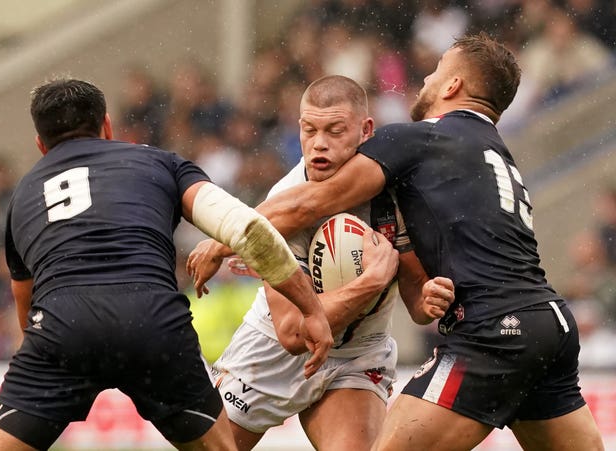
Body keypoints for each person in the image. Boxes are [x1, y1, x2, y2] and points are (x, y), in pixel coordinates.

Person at [191, 34, 605, 450]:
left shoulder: (413, 143)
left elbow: (311, 207)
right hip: (547, 320)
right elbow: (295, 329)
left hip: (483, 332)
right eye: (309, 129)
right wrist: (421, 290)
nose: (425, 77)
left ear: (452, 86)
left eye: (436, 69)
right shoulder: (489, 150)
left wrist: (222, 237)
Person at [0, 78, 333, 451]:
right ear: (107, 126)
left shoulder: (22, 196)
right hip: (153, 323)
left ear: (40, 145)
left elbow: (25, 305)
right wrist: (311, 308)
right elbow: (248, 229)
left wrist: (46, 367)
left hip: (63, 328)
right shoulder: (159, 162)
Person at [188, 75, 455, 450]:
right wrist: (371, 282)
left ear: (366, 130)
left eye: (335, 130)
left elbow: (418, 305)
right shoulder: (283, 202)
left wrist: (429, 296)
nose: (319, 144)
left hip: (357, 355)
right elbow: (295, 334)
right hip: (271, 356)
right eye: (309, 130)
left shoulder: (397, 197)